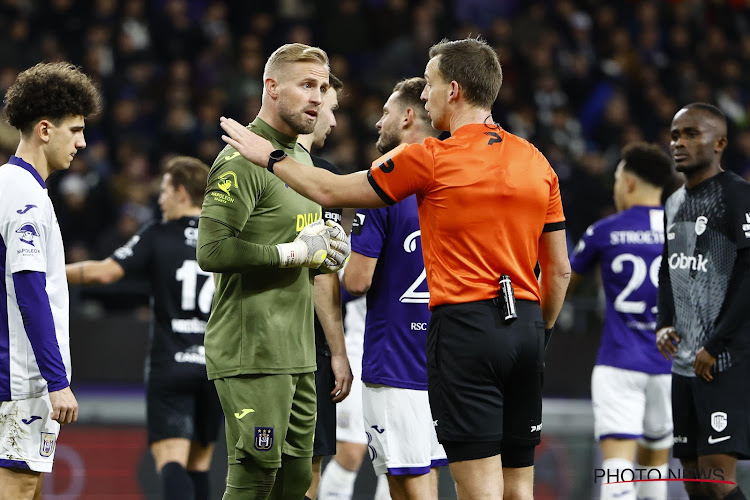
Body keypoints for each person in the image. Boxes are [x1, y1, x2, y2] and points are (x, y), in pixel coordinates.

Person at [219, 36, 571, 500]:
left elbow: (329, 190)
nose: (424, 95)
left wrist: (268, 155)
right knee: (518, 487)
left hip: (465, 330)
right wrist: (539, 331)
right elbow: (560, 270)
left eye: (429, 84)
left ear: (455, 91)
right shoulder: (537, 161)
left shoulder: (430, 158)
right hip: (525, 327)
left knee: (479, 488)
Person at [196, 43, 350, 500]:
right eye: (306, 85)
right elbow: (212, 250)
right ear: (271, 87)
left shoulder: (299, 162)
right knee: (254, 476)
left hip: (299, 353)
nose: (318, 98)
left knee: (296, 482)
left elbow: (302, 244)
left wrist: (324, 254)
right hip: (251, 351)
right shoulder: (242, 159)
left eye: (322, 88)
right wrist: (291, 254)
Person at [65, 157, 221, 500]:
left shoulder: (158, 234)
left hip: (172, 362)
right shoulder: (222, 236)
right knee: (200, 465)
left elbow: (104, 272)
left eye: (164, 190)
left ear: (181, 192)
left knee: (171, 461)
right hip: (215, 367)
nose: (159, 199)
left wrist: (48, 273)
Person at [340, 77, 446, 500]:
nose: (378, 122)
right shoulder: (455, 181)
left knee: (407, 484)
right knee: (423, 476)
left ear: (407, 117)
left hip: (395, 360)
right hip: (445, 358)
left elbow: (356, 279)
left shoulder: (385, 184)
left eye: (385, 113)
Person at [0, 62, 100, 500]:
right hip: (20, 381)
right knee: (19, 488)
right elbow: (29, 292)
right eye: (75, 130)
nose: (81, 142)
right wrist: (56, 381)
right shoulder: (22, 193)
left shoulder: (14, 187)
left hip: (17, 378)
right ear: (44, 129)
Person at [569, 143, 677, 500]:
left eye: (616, 180)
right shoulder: (685, 233)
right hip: (670, 368)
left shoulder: (605, 231)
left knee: (617, 469)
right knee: (655, 472)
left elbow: (564, 284)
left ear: (628, 183)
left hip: (619, 362)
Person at [657, 103, 750, 500]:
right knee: (694, 477)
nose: (679, 142)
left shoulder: (737, 195)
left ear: (720, 143)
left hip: (724, 360)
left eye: (692, 134)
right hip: (686, 362)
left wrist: (716, 344)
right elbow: (668, 268)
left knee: (716, 477)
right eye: (676, 135)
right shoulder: (674, 202)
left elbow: (749, 275)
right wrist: (664, 323)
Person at [296, 73, 354, 500]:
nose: (332, 121)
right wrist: (338, 351)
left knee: (255, 468)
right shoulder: (324, 175)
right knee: (307, 469)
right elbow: (323, 273)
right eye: (329, 109)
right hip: (307, 346)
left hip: (252, 340)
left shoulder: (248, 163)